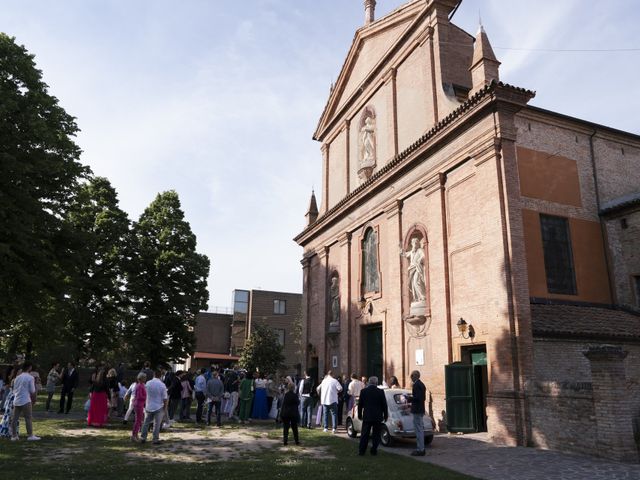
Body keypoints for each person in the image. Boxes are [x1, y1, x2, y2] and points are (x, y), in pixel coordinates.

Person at [357, 376, 388, 456]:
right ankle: (374, 450)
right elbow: (384, 405)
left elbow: (360, 405)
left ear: (369, 382)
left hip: (367, 415)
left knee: (365, 434)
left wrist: (360, 415)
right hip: (377, 416)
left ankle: (362, 451)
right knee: (376, 434)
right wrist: (386, 415)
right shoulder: (380, 392)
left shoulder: (363, 391)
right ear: (376, 383)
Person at [10, 362, 40, 441]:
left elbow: (14, 390)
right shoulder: (30, 378)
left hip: (17, 399)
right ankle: (30, 435)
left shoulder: (17, 378)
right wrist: (34, 399)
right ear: (29, 367)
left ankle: (14, 436)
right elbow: (32, 390)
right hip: (26, 400)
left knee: (14, 418)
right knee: (28, 418)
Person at [140, 369, 168, 444]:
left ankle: (143, 437)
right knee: (157, 424)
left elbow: (145, 393)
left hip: (149, 405)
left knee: (146, 422)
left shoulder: (148, 383)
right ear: (161, 376)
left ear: (153, 375)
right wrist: (165, 407)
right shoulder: (162, 385)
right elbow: (165, 398)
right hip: (158, 406)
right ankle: (155, 439)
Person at [409, 370, 427, 456]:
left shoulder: (417, 385)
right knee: (419, 429)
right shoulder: (421, 384)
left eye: (411, 376)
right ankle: (421, 448)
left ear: (415, 376)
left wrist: (409, 398)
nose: (411, 378)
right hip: (420, 409)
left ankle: (420, 449)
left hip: (417, 409)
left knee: (418, 430)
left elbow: (418, 398)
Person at [130, 372, 147, 442]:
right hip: (138, 404)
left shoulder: (142, 385)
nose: (145, 379)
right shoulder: (139, 385)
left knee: (139, 420)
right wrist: (146, 397)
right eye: (144, 378)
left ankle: (135, 435)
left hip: (140, 404)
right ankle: (134, 435)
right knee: (138, 421)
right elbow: (140, 396)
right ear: (141, 378)